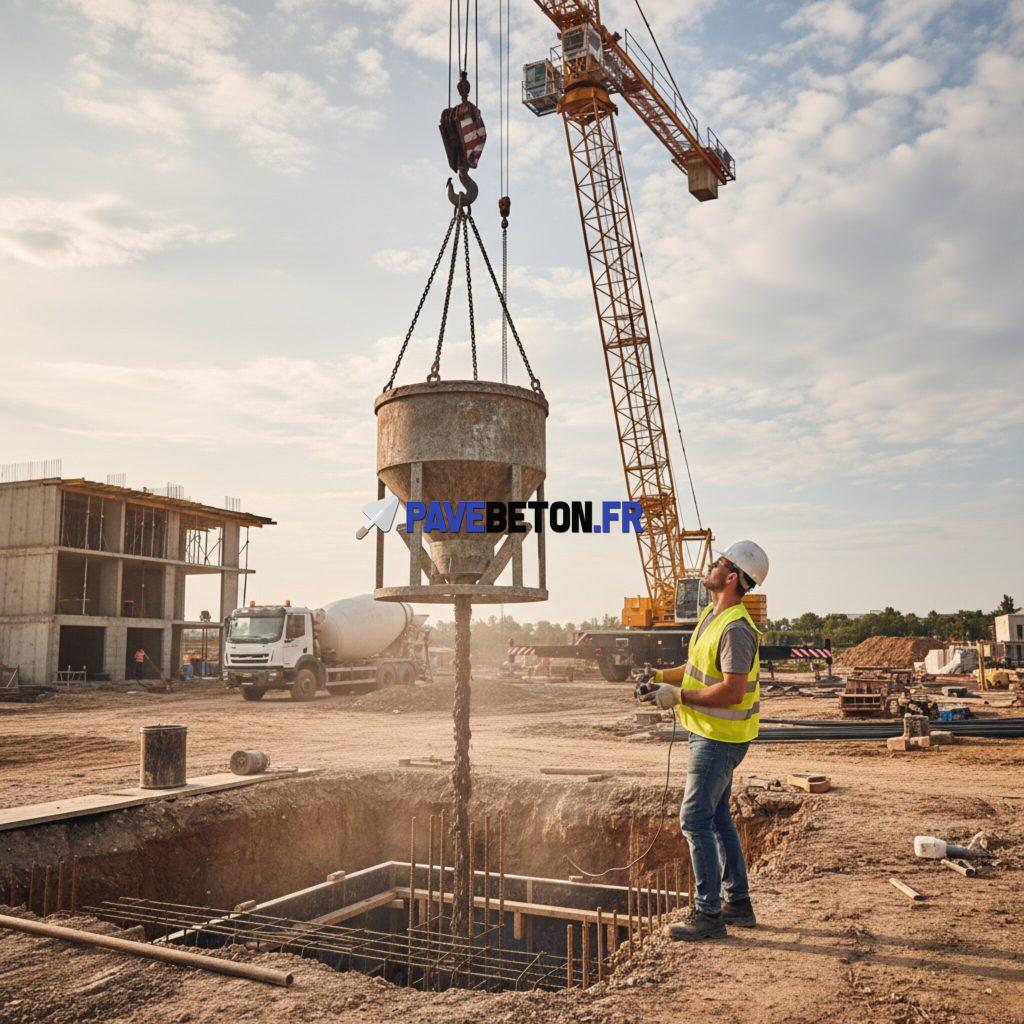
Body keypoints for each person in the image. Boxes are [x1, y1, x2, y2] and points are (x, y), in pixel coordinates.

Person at [638, 539, 769, 941]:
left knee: (694, 820)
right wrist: (660, 678)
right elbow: (694, 668)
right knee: (716, 817)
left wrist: (677, 698)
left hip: (719, 738)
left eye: (718, 562)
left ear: (731, 577)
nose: (709, 566)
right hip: (707, 733)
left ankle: (709, 913)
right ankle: (737, 903)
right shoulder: (713, 617)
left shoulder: (736, 630)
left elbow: (731, 690)